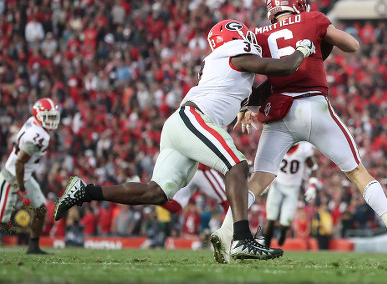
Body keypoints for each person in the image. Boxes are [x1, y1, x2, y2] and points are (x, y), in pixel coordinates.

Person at [53, 19, 316, 261]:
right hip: (194, 118)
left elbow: (263, 88)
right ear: (235, 37)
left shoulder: (228, 66)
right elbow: (282, 67)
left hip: (181, 124)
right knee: (237, 165)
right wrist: (303, 49)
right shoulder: (231, 53)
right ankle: (242, 239)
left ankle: (84, 191)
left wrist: (280, 83)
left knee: (155, 192)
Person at [211, 0, 387, 262]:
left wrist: (245, 105)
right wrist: (322, 39)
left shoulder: (257, 33)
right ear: (299, 4)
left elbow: (244, 69)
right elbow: (352, 45)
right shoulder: (313, 18)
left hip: (280, 111)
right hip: (314, 106)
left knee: (258, 180)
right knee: (357, 172)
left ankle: (224, 233)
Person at [0, 98, 60, 254]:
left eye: (53, 116)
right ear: (39, 116)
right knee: (2, 218)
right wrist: (21, 189)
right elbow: (19, 164)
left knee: (40, 210)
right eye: (49, 116)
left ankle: (33, 247)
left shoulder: (33, 122)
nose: (52, 120)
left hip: (24, 175)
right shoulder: (39, 137)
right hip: (12, 176)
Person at [263, 141, 318, 248]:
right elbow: (267, 163)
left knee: (286, 221)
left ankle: (283, 232)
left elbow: (313, 168)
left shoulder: (303, 149)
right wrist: (264, 181)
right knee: (271, 217)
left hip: (293, 188)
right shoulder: (278, 146)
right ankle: (266, 244)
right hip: (277, 186)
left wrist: (312, 186)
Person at [162, 163, 229, 215]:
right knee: (228, 199)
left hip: (188, 169)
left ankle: (154, 198)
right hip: (201, 167)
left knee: (176, 205)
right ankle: (234, 230)